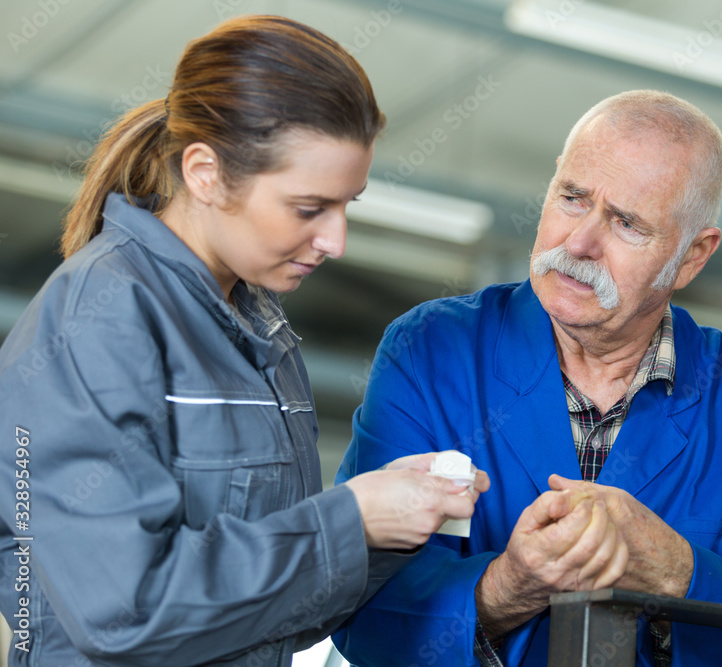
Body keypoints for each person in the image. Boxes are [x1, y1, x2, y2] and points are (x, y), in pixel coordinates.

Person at [0, 15, 487, 667]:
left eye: (349, 204)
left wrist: (386, 526)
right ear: (205, 172)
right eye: (309, 207)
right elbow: (123, 611)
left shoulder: (265, 333)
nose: (336, 240)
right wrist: (347, 521)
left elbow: (278, 622)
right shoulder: (99, 318)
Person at [334, 90, 722, 665]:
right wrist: (508, 586)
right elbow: (357, 607)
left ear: (691, 257)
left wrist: (675, 570)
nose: (579, 243)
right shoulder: (432, 350)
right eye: (572, 198)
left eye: (627, 224)